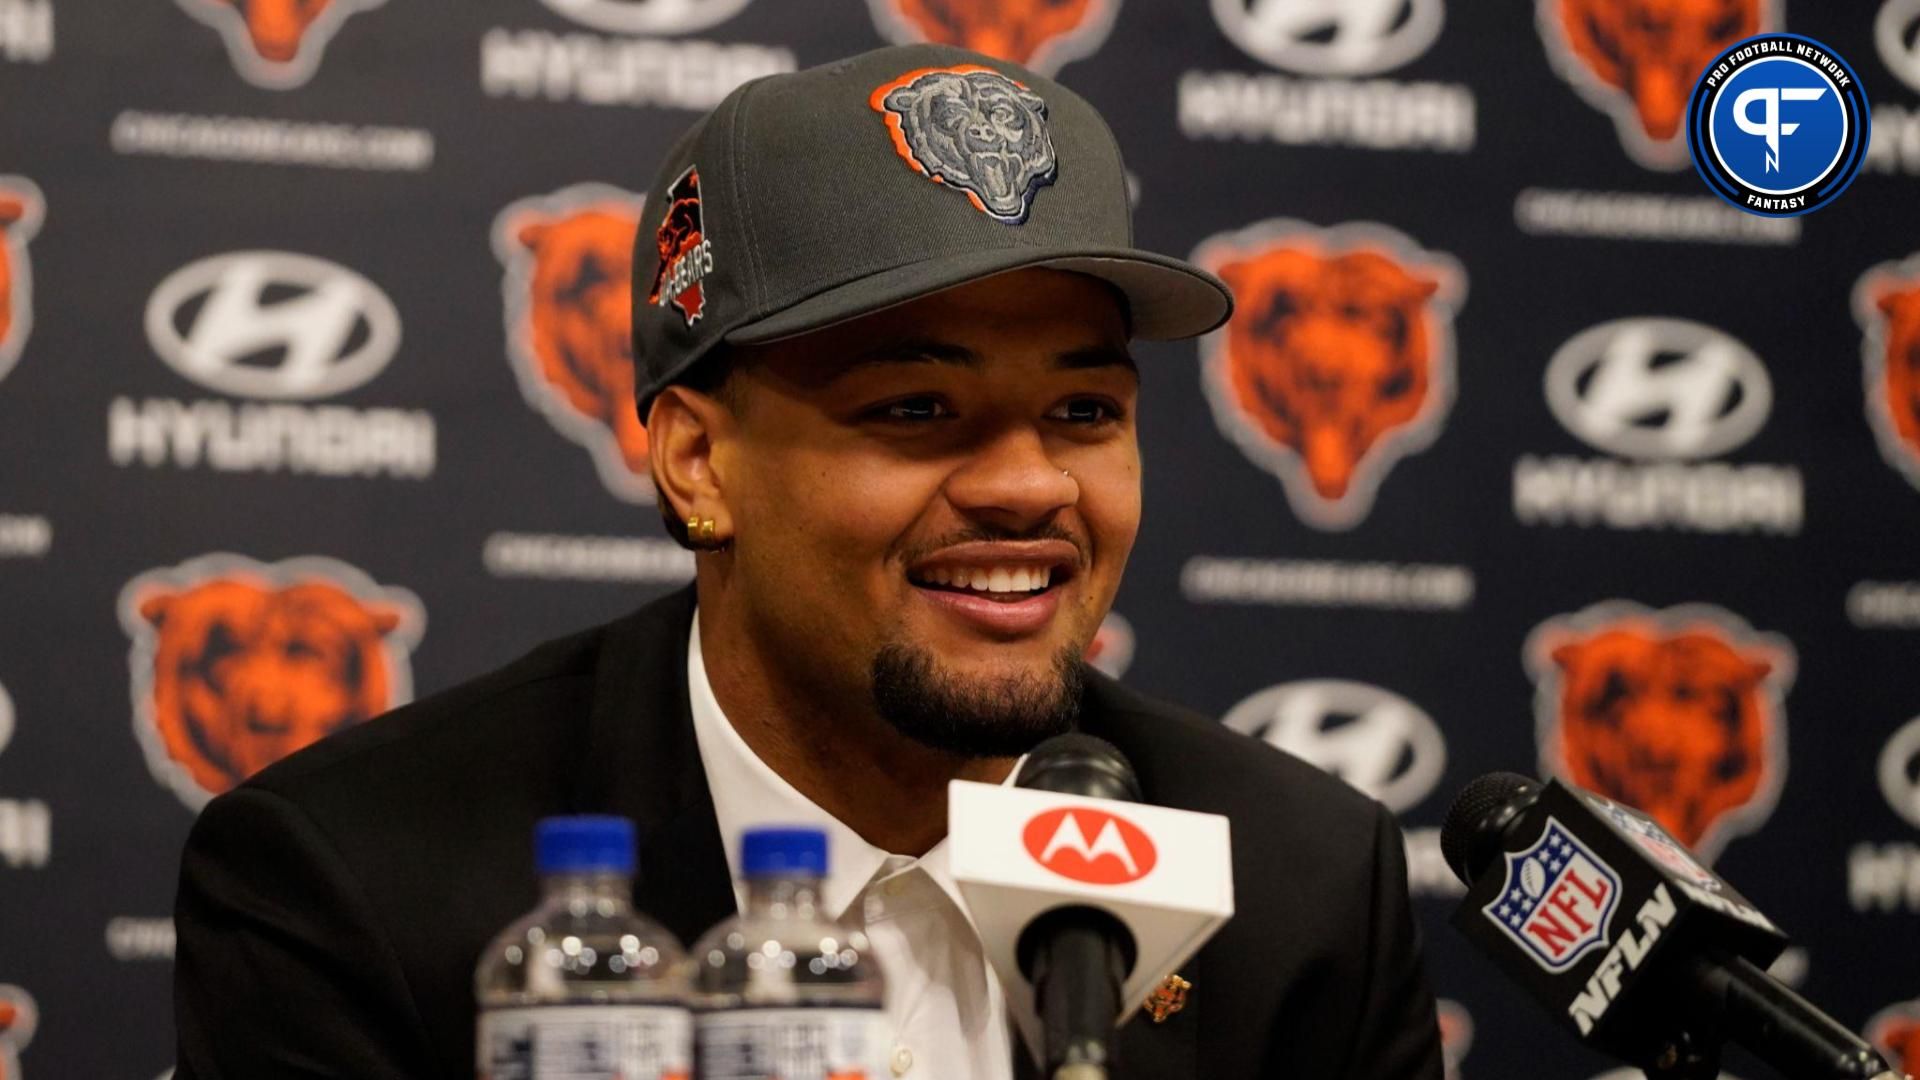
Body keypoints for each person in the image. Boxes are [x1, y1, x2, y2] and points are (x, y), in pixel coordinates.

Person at [172, 43, 1444, 1080]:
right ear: (697, 465)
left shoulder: (1297, 886)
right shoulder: (364, 891)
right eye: (912, 411)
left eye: (1084, 413)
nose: (1027, 486)